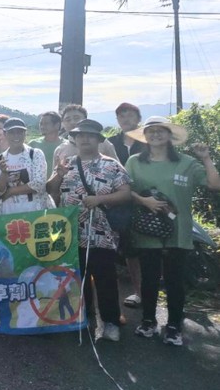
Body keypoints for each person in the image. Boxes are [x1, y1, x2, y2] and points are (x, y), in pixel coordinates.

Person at [125, 116, 220, 346]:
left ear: (169, 135)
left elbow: (214, 184)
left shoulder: (187, 163)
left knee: (174, 280)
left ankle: (174, 326)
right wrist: (144, 201)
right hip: (147, 230)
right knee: (149, 279)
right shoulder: (135, 162)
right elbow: (125, 191)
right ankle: (148, 321)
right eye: (151, 131)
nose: (155, 135)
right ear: (145, 136)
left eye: (161, 131)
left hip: (178, 231)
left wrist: (206, 158)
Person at [47, 119, 132, 342]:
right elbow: (51, 191)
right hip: (71, 233)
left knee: (105, 279)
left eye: (90, 135)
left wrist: (100, 199)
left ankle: (111, 322)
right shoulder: (67, 163)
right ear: (74, 139)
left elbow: (125, 193)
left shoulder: (111, 165)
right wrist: (58, 174)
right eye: (80, 135)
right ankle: (84, 318)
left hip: (102, 234)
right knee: (77, 279)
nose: (84, 139)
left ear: (98, 139)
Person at [107, 102, 147, 309]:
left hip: (147, 202)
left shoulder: (150, 141)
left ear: (138, 118)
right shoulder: (110, 142)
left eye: (129, 115)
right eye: (121, 116)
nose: (125, 119)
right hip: (118, 203)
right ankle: (137, 293)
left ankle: (148, 293)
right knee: (125, 249)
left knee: (147, 250)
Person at [0, 118, 53, 215]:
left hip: (35, 211)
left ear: (25, 133)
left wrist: (11, 191)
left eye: (20, 132)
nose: (16, 136)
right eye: (11, 132)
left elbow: (39, 183)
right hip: (9, 212)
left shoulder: (35, 154)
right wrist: (3, 173)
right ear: (5, 134)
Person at [53, 104, 119, 166]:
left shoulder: (103, 144)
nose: (72, 122)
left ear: (85, 119)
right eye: (68, 120)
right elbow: (55, 175)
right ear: (63, 124)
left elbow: (117, 168)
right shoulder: (60, 150)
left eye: (76, 118)